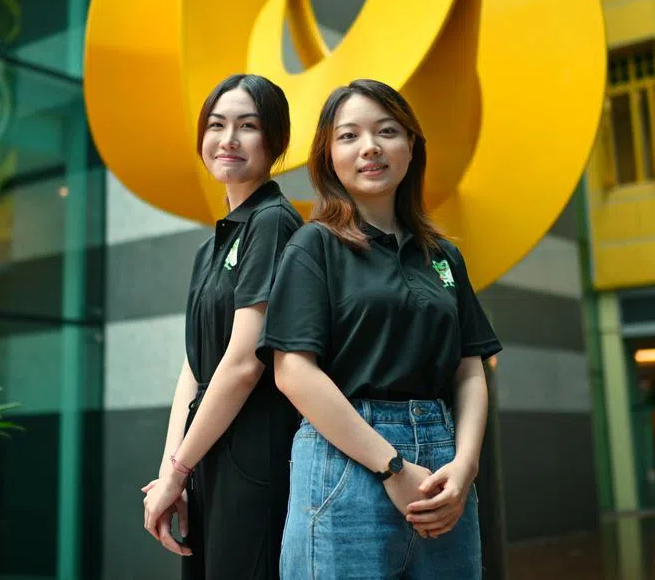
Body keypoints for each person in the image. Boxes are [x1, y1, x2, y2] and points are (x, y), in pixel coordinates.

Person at [257, 79, 502, 580]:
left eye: (386, 131)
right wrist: (390, 466)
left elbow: (469, 370)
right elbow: (294, 373)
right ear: (329, 156)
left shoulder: (443, 256)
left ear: (411, 146)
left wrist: (466, 466)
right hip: (344, 465)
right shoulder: (314, 246)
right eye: (349, 136)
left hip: (442, 469)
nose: (369, 147)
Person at [141, 74, 303, 580]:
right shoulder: (211, 246)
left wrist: (181, 469)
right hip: (208, 451)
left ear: (274, 141)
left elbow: (241, 365)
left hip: (253, 450)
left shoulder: (274, 222)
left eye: (247, 126)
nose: (228, 139)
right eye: (216, 125)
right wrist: (174, 469)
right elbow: (195, 365)